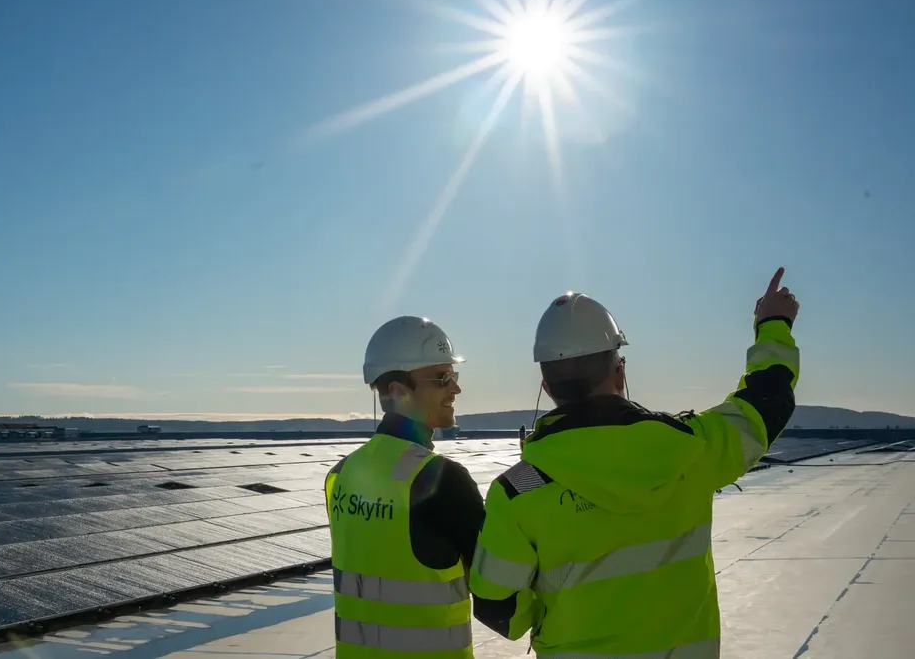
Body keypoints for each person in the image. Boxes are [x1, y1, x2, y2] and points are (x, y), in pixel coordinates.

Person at [470, 268, 801, 657]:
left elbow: (499, 612)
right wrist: (772, 324)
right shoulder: (691, 449)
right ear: (619, 371)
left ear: (547, 387)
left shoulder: (517, 490)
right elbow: (766, 402)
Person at [325, 316, 487, 658]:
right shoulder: (442, 481)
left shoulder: (340, 474)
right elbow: (495, 589)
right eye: (442, 378)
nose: (455, 389)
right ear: (399, 392)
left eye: (454, 376)